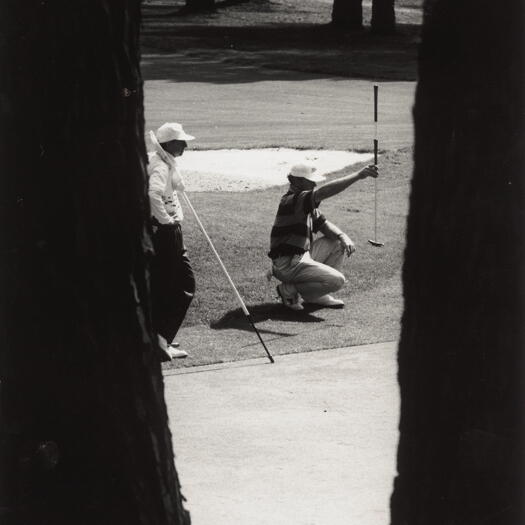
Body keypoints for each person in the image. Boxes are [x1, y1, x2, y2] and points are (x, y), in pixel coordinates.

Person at [268, 162, 378, 310]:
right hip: (287, 264)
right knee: (337, 281)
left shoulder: (305, 205)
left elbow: (324, 226)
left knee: (338, 242)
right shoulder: (293, 200)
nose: (314, 184)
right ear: (297, 181)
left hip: (299, 257)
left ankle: (314, 296)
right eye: (310, 181)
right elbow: (324, 192)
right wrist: (358, 175)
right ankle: (289, 290)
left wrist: (342, 235)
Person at [147, 122, 196, 360]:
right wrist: (167, 221)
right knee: (185, 285)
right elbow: (153, 194)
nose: (185, 145)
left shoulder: (159, 161)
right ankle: (160, 339)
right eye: (181, 142)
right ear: (168, 144)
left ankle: (158, 337)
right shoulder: (161, 166)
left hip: (158, 232)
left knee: (162, 285)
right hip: (166, 233)